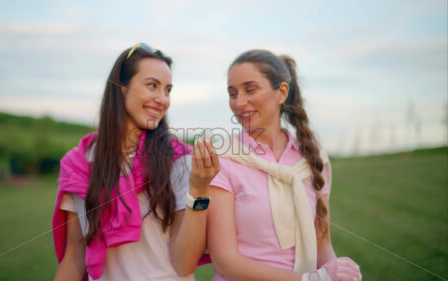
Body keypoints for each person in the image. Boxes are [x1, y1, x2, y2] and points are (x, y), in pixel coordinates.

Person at [52, 43, 219, 281]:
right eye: (152, 85)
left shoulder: (179, 159)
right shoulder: (79, 164)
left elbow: (185, 264)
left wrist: (199, 190)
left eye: (168, 90)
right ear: (121, 87)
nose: (162, 99)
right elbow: (75, 258)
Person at [206, 50, 362, 281]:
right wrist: (310, 280)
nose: (239, 103)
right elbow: (226, 261)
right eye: (232, 93)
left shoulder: (313, 157)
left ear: (281, 92)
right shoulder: (222, 159)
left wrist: (335, 274)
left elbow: (322, 244)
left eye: (250, 89)